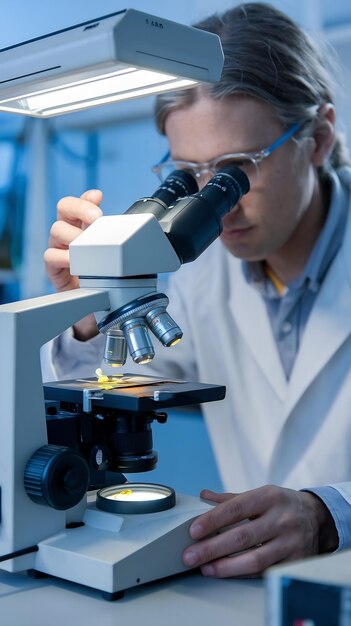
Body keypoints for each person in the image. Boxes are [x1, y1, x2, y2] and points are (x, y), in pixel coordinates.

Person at [42, 2, 351, 578]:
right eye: (187, 173)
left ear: (318, 137)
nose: (216, 202)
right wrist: (89, 310)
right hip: (249, 588)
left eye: (237, 169)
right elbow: (112, 378)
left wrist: (331, 513)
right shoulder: (197, 271)